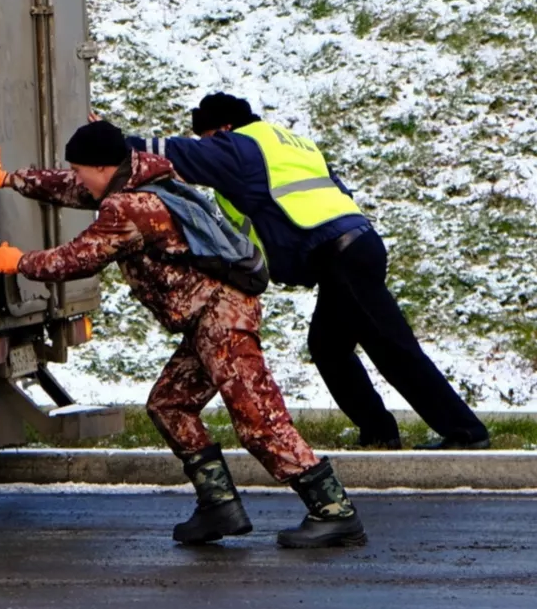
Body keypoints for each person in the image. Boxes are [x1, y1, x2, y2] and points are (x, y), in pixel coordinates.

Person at [0, 122, 366, 548]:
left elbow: (78, 259)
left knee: (258, 419)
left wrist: (20, 261)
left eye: (82, 168)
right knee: (169, 404)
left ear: (104, 166)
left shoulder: (132, 208)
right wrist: (8, 179)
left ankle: (333, 511)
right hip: (206, 319)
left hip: (222, 320)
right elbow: (71, 188)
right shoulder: (142, 177)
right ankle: (219, 507)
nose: (78, 176)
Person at [127, 93, 490, 450]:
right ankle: (379, 432)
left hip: (340, 255)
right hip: (353, 246)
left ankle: (465, 431)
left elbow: (173, 152)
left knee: (392, 346)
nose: (206, 146)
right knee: (328, 346)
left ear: (223, 128)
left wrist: (110, 145)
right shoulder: (289, 142)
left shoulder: (237, 146)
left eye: (206, 137)